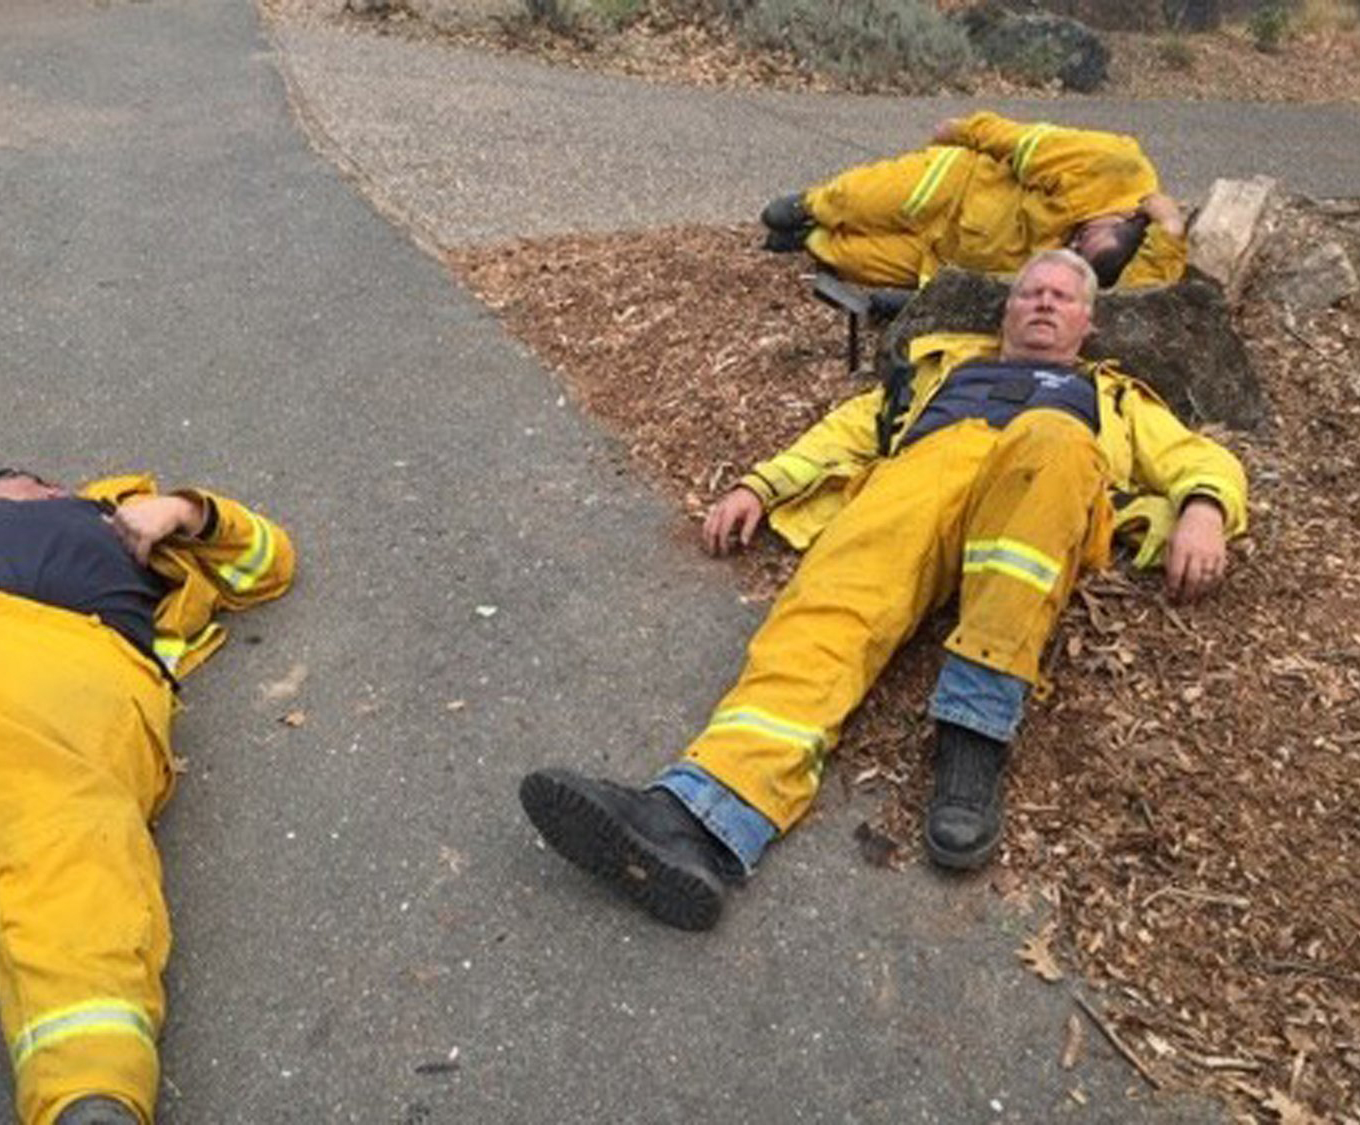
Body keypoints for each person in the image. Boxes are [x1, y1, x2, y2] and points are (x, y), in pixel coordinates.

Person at [519, 250, 1246, 932]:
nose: (1044, 302)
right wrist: (760, 484)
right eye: (1031, 291)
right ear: (1007, 312)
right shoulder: (940, 373)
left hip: (1039, 485)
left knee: (1051, 439)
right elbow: (845, 431)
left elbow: (1196, 457)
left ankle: (972, 741)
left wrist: (1205, 509)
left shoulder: (1105, 395)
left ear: (1088, 323)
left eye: (1063, 296)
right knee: (829, 605)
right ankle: (701, 818)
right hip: (920, 480)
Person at [0, 469, 295, 1125]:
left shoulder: (120, 514)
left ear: (50, 488)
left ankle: (88, 1096)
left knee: (65, 842)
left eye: (3, 481)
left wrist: (185, 511)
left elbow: (271, 560)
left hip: (55, 658)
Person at [761, 111, 1186, 290]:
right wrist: (962, 129)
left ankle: (810, 238)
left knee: (848, 259)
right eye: (1083, 239)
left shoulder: (1129, 262)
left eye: (1080, 255)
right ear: (1128, 214)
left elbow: (1144, 298)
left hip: (946, 258)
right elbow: (1021, 141)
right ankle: (809, 207)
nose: (1072, 249)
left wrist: (1170, 230)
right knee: (854, 199)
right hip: (953, 188)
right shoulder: (1112, 165)